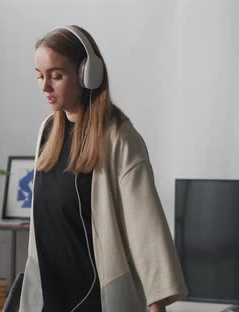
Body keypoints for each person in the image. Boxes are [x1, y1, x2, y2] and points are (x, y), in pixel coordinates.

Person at [18, 25, 188, 312]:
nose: (45, 87)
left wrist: (157, 304)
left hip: (96, 299)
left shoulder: (118, 137)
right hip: (48, 294)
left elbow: (145, 225)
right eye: (40, 76)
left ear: (88, 74)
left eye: (56, 76)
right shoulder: (47, 131)